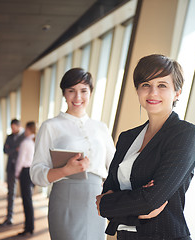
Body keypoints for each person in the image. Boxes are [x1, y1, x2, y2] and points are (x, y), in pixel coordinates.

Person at [96, 54, 195, 240]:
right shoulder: (127, 138)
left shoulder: (185, 134)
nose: (153, 93)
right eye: (146, 85)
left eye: (162, 85)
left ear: (177, 92)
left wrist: (114, 203)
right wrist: (138, 204)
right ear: (138, 90)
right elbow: (105, 199)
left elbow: (151, 200)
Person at [30, 68, 115, 240]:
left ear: (91, 92)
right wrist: (65, 171)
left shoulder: (101, 128)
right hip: (65, 200)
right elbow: (36, 173)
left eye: (83, 91)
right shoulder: (50, 126)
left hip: (98, 202)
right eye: (71, 91)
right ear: (64, 94)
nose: (77, 97)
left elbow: (115, 167)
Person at [0, 119, 25, 226]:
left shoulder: (25, 137)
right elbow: (5, 150)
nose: (13, 130)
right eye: (12, 128)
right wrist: (16, 149)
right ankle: (9, 217)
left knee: (25, 194)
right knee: (11, 193)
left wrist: (12, 149)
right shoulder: (9, 137)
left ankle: (27, 221)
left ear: (19, 126)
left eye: (14, 128)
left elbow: (23, 151)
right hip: (11, 168)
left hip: (23, 168)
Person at [15, 121, 36, 236]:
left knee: (26, 201)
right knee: (29, 200)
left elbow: (20, 160)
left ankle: (28, 228)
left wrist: (17, 173)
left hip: (25, 172)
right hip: (32, 172)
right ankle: (30, 226)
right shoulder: (36, 142)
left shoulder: (25, 142)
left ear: (29, 130)